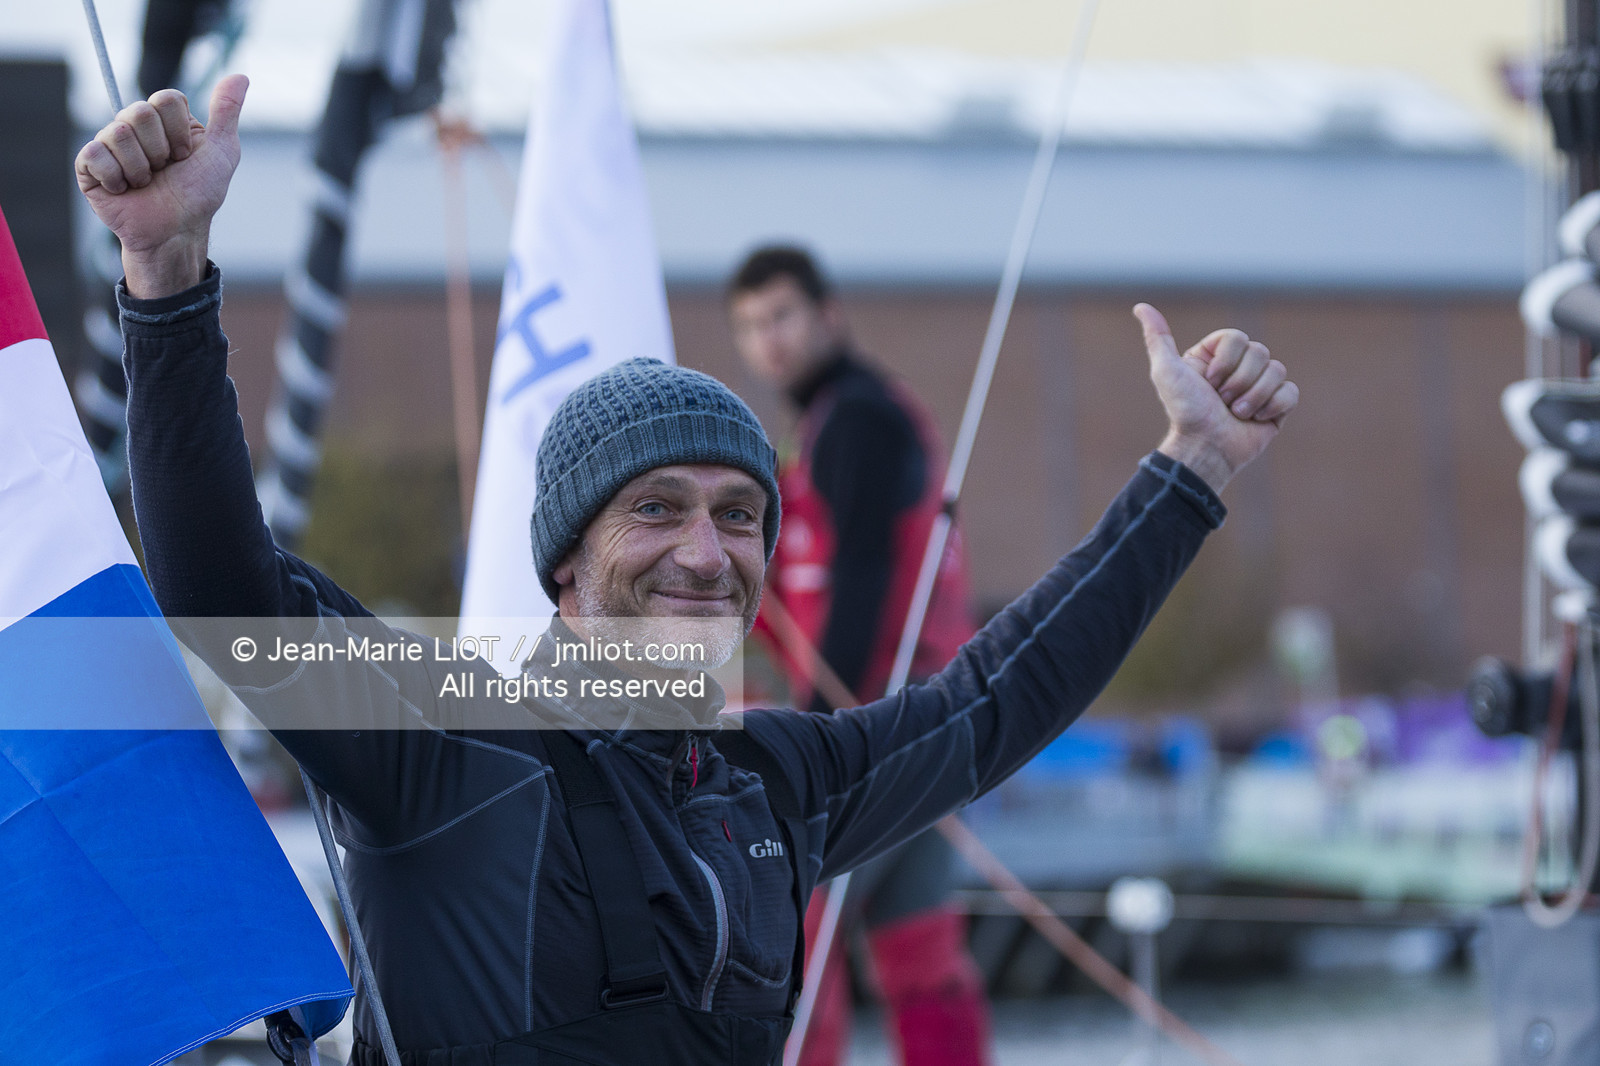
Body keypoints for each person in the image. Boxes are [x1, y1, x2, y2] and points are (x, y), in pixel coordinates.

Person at [76, 76, 1297, 1066]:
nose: (706, 554)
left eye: (740, 515)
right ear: (563, 562)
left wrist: (1187, 476)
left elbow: (992, 703)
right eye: (655, 511)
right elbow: (219, 584)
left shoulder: (780, 779)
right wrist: (167, 280)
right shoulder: (435, 738)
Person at [728, 246, 992, 1066]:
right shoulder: (835, 426)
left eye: (782, 317)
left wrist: (815, 736)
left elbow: (867, 572)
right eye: (749, 326)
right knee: (919, 952)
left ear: (827, 317)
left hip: (876, 724)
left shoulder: (858, 420)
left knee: (797, 935)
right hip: (929, 725)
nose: (768, 341)